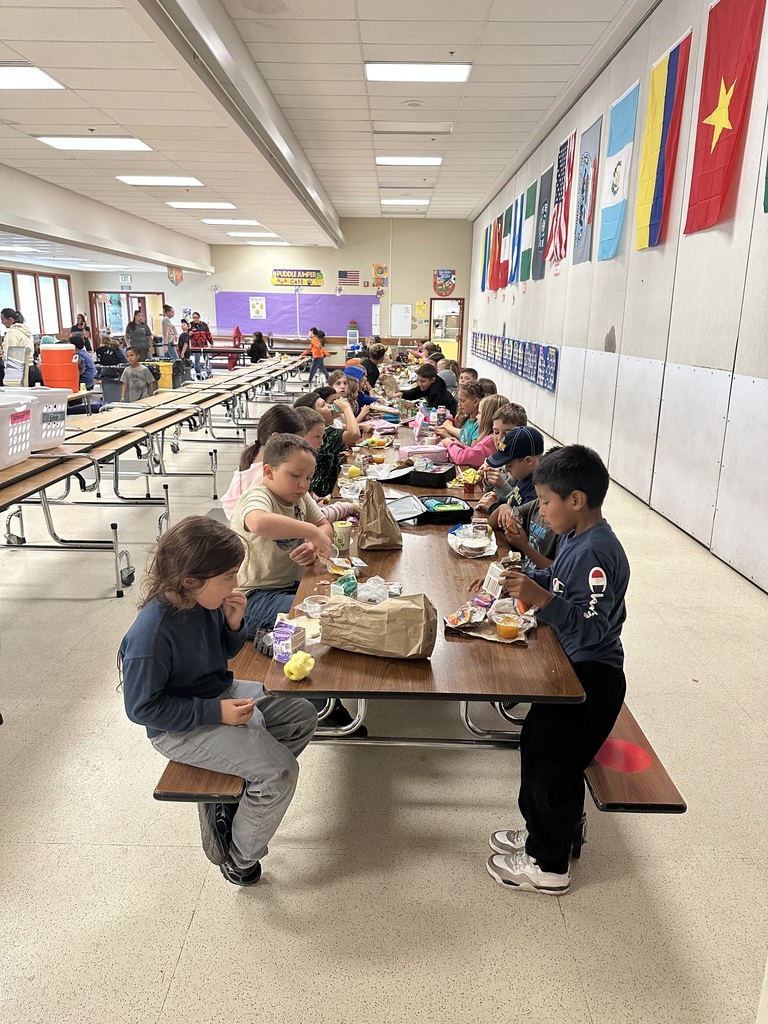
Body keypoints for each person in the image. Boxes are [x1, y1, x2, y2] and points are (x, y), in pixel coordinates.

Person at [120, 515, 316, 887]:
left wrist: (234, 625)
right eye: (228, 576)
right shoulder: (152, 634)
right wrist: (215, 712)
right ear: (190, 580)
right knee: (279, 774)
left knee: (301, 715)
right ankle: (238, 858)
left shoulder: (205, 602)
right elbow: (142, 709)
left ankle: (244, 789)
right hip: (177, 726)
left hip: (215, 693)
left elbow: (221, 655)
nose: (236, 583)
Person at [486, 445, 629, 896]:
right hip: (572, 669)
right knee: (536, 743)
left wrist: (542, 598)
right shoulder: (574, 539)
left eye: (546, 502)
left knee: (555, 763)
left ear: (576, 500)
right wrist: (524, 583)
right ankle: (540, 835)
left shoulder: (597, 554)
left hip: (592, 677)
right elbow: (559, 581)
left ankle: (548, 864)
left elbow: (591, 628)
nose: (541, 511)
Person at [221, 406, 304, 519]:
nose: (302, 448)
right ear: (275, 438)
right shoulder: (270, 475)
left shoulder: (251, 462)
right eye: (297, 442)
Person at [294, 388, 359, 497]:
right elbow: (354, 434)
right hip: (325, 495)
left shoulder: (327, 429)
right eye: (323, 405)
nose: (329, 406)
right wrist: (346, 408)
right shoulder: (325, 433)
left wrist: (336, 458)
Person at [485, 425, 545, 526]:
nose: (506, 469)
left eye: (510, 465)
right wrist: (499, 499)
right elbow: (516, 500)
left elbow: (520, 524)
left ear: (529, 461)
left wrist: (493, 507)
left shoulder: (536, 489)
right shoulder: (524, 475)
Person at [441, 394, 510, 469]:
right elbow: (475, 452)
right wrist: (462, 446)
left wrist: (449, 443)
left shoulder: (488, 442)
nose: (477, 417)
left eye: (479, 413)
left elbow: (461, 458)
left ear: (487, 417)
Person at [0, 307, 42, 384]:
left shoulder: (12, 333)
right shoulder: (27, 332)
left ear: (10, 319)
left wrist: (2, 355)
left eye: (3, 319)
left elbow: (10, 355)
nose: (2, 322)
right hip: (32, 369)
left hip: (20, 372)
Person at [189, 313, 213, 378]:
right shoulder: (190, 325)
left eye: (196, 317)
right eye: (193, 318)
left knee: (207, 359)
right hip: (195, 347)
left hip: (204, 346)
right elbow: (186, 336)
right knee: (197, 360)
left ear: (199, 317)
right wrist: (189, 334)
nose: (195, 319)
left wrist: (211, 343)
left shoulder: (204, 325)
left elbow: (208, 334)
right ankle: (198, 374)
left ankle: (209, 373)